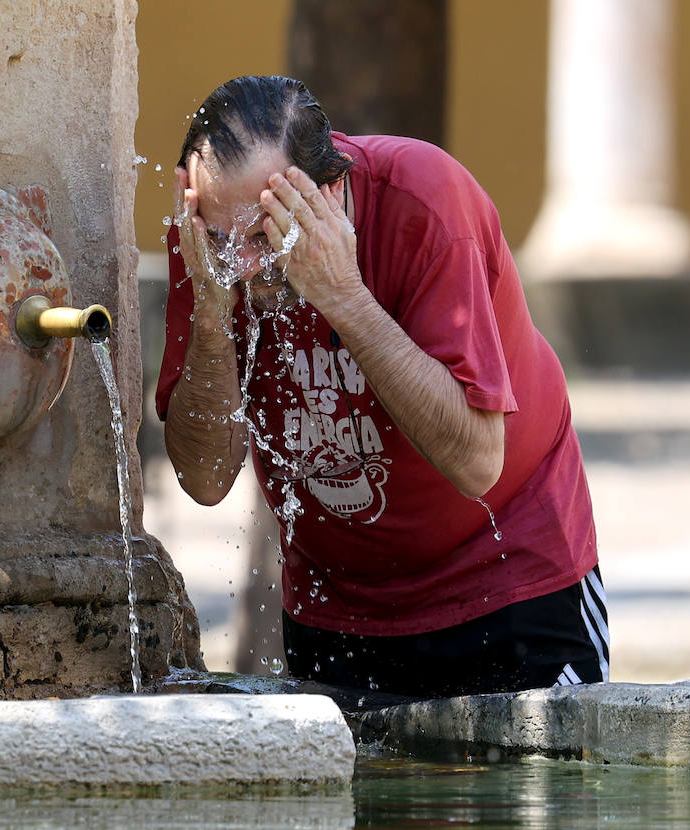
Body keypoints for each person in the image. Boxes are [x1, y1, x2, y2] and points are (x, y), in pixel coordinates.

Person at [155, 75, 608, 698]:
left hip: (508, 581)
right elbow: (204, 481)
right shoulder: (213, 245)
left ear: (330, 191)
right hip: (338, 606)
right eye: (221, 240)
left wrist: (344, 295)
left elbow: (477, 463)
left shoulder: (424, 201)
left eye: (265, 235)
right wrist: (211, 314)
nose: (245, 267)